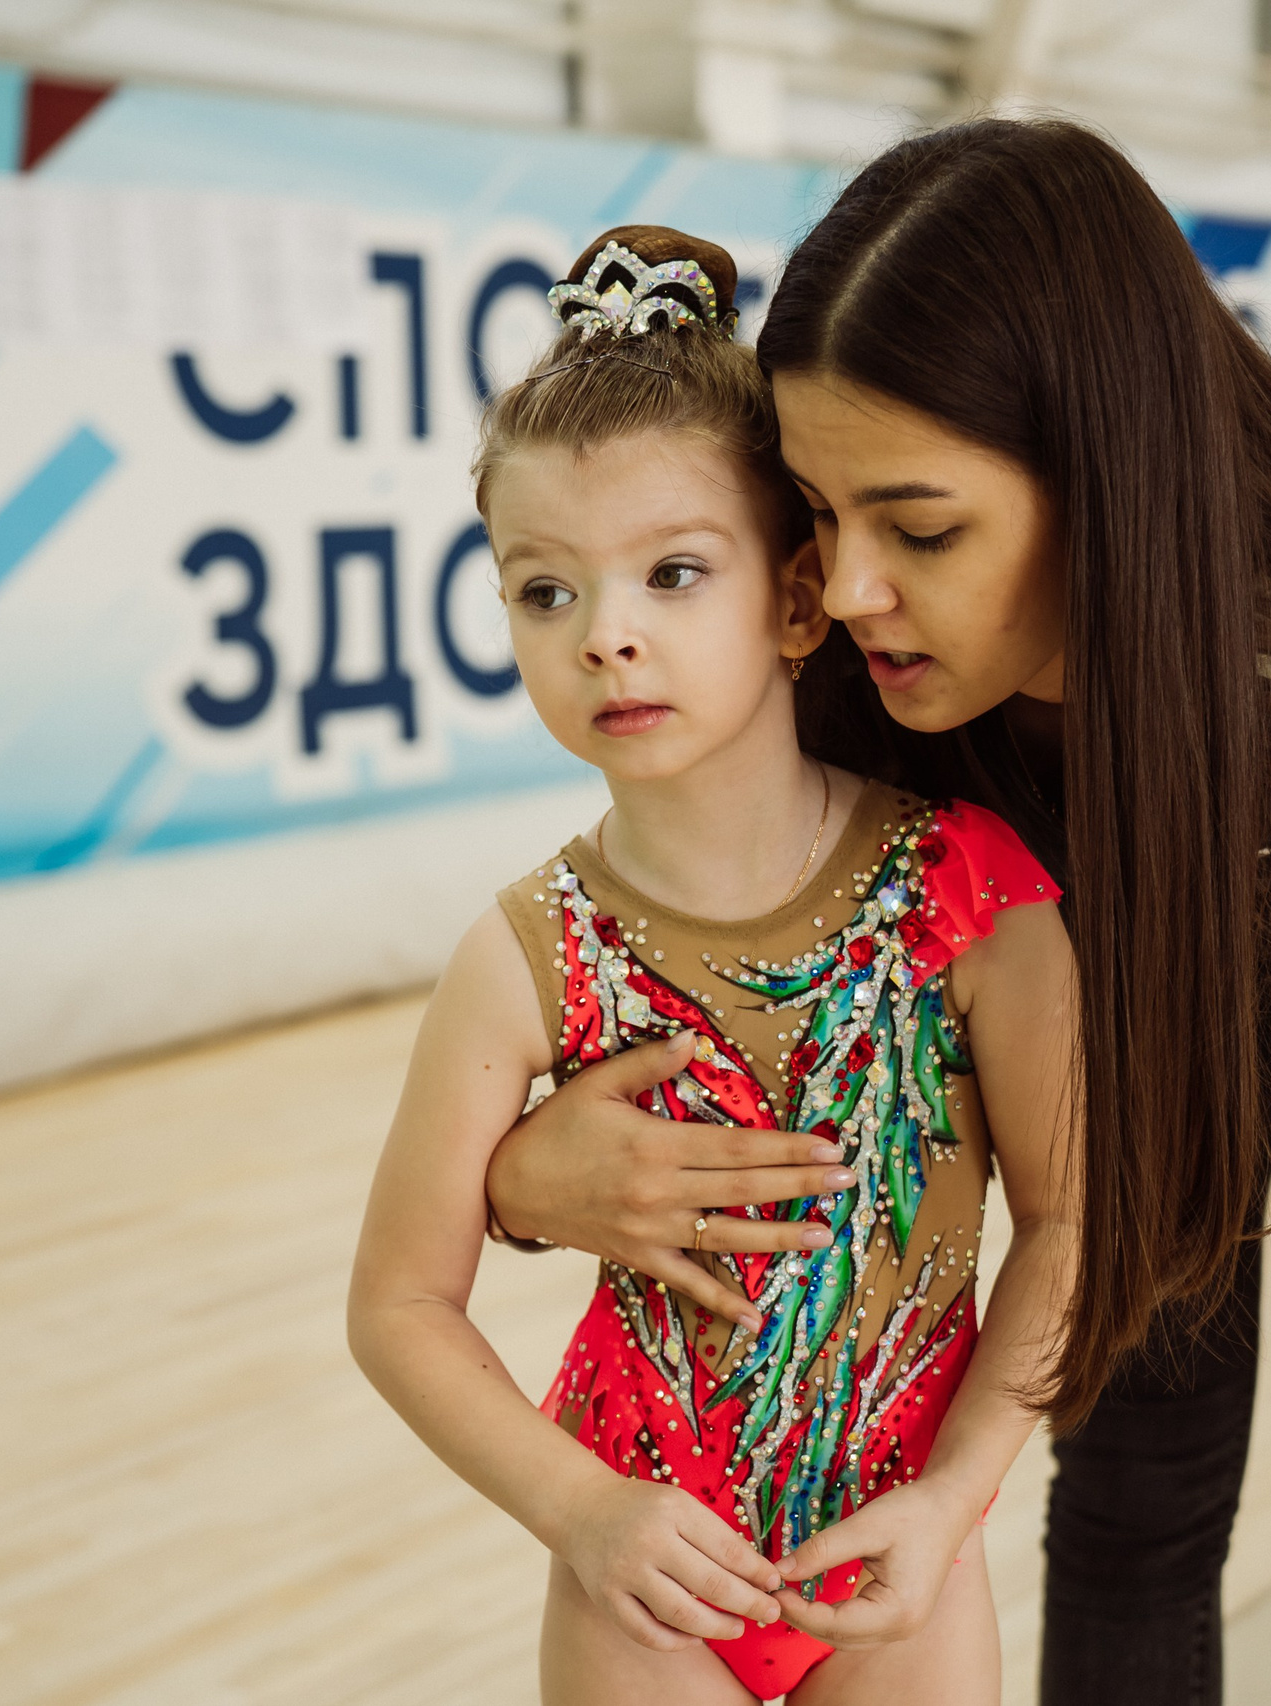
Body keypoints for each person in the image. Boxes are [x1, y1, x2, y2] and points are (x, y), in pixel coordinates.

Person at [484, 122, 1271, 1705]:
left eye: (923, 527)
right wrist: (526, 1177)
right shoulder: (867, 661)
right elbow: (727, 993)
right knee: (1136, 1492)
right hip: (1145, 942)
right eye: (817, 514)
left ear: (1104, 474)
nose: (854, 588)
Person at [346, 227, 1081, 1705]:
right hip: (645, 1581)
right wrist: (580, 1509)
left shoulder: (969, 892)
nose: (606, 635)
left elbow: (1079, 1225)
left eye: (673, 573)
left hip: (896, 1565)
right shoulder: (523, 951)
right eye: (544, 590)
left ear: (800, 599)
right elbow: (397, 1304)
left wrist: (956, 1499)